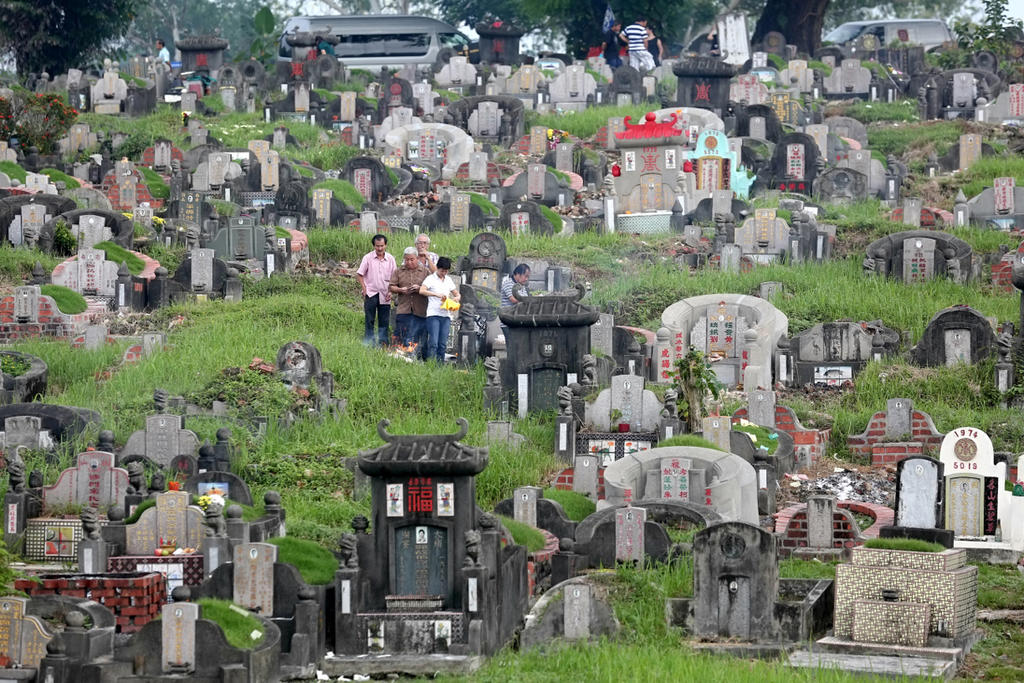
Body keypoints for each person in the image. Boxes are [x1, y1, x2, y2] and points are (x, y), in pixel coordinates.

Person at [356, 234, 396, 347]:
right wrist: (364, 289)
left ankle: (383, 344)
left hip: (385, 294)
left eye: (382, 246)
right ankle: (369, 344)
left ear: (386, 245)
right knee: (369, 320)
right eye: (377, 246)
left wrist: (391, 291)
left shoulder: (391, 259)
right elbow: (359, 274)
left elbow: (395, 277)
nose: (379, 248)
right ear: (374, 246)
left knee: (384, 321)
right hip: (371, 293)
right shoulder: (368, 258)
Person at [419, 256, 460, 363]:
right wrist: (436, 295)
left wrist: (456, 298)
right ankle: (431, 363)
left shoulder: (448, 280)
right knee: (433, 342)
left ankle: (440, 364)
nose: (444, 273)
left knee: (443, 343)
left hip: (445, 315)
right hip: (433, 314)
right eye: (442, 271)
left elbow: (456, 293)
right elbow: (422, 291)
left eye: (446, 271)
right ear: (437, 268)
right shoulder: (430, 279)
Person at [388, 247, 429, 351]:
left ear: (417, 259)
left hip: (420, 309)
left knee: (417, 335)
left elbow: (431, 288)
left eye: (412, 259)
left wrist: (419, 288)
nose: (409, 262)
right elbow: (391, 287)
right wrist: (401, 290)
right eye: (407, 259)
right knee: (400, 334)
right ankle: (398, 354)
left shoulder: (425, 271)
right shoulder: (398, 271)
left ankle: (417, 356)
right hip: (403, 309)